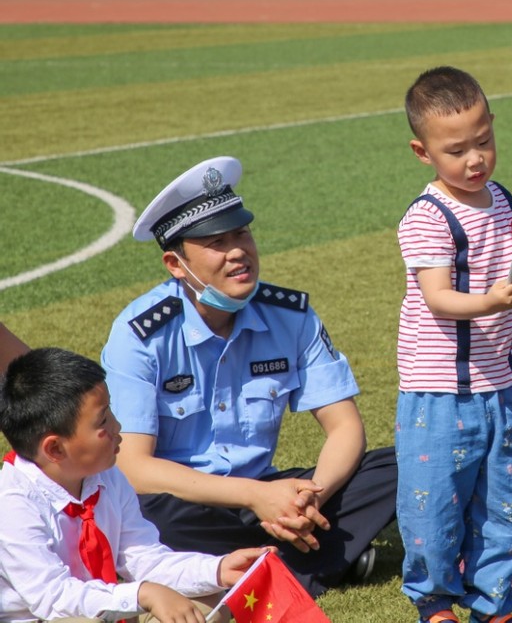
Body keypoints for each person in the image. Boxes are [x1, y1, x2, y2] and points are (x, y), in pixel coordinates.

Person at [100, 156, 396, 598]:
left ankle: (243, 566)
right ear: (175, 264)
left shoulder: (291, 315)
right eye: (216, 242)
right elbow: (134, 467)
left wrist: (308, 498)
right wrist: (254, 497)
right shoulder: (141, 334)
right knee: (144, 512)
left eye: (241, 232)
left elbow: (346, 428)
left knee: (397, 464)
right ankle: (315, 557)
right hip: (187, 501)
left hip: (269, 496)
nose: (238, 250)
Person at [395, 66, 512, 623]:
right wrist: (493, 299)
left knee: (507, 504)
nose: (475, 159)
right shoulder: (427, 216)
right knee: (434, 504)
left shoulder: (504, 200)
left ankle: (493, 602)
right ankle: (436, 603)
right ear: (423, 152)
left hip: (502, 381)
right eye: (457, 150)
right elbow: (439, 298)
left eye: (484, 141)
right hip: (439, 390)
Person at [0, 347, 271, 622]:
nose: (118, 426)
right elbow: (53, 598)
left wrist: (219, 569)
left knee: (206, 601)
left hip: (105, 606)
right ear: (55, 449)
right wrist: (142, 594)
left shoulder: (106, 476)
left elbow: (145, 559)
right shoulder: (12, 504)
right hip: (47, 617)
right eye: (103, 420)